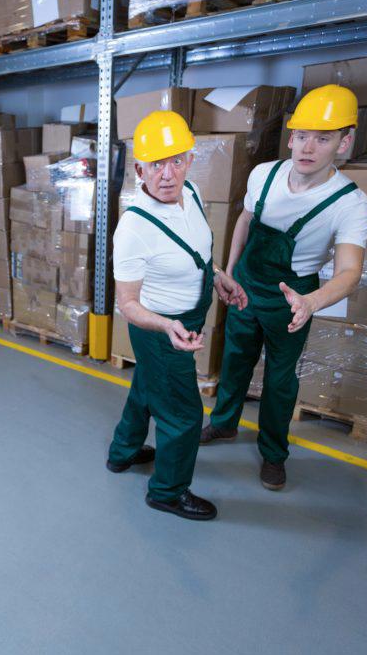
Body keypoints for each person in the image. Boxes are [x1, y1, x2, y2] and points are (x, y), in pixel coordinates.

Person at [200, 85, 367, 491]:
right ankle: (224, 424)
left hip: (292, 300)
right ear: (291, 136)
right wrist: (230, 271)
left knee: (280, 380)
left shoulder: (349, 202)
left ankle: (274, 454)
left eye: (323, 137)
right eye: (301, 135)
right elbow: (244, 220)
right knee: (236, 358)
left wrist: (310, 302)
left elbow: (350, 270)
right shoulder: (265, 174)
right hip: (245, 286)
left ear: (344, 142)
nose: (308, 147)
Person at [106, 111, 248, 521]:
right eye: (156, 164)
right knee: (184, 413)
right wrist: (169, 326)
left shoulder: (194, 193)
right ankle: (167, 492)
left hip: (190, 312)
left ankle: (124, 452)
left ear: (189, 159)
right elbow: (128, 305)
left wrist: (218, 275)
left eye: (176, 161)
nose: (167, 174)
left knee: (149, 386)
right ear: (139, 169)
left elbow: (197, 249)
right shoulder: (133, 228)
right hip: (162, 328)